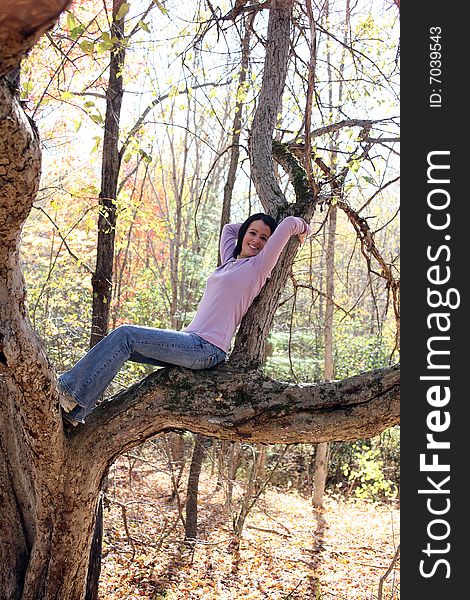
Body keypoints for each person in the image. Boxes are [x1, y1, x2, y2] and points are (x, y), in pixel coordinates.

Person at [58, 213, 311, 425]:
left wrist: (302, 229)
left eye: (264, 238)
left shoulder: (258, 268)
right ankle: (76, 411)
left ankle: (69, 391)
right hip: (191, 342)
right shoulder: (229, 262)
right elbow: (229, 228)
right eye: (252, 233)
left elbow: (289, 223)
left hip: (206, 348)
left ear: (270, 245)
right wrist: (251, 225)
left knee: (126, 335)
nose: (256, 240)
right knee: (124, 346)